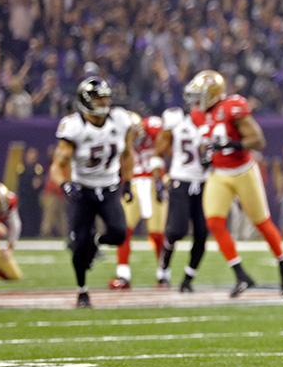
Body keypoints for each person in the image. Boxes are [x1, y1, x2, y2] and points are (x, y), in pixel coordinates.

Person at [191, 70, 283, 297]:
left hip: (243, 171)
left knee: (261, 222)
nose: (196, 100)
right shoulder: (197, 115)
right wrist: (206, 154)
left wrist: (233, 144)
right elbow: (204, 143)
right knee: (215, 222)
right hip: (219, 173)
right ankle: (240, 274)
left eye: (200, 94)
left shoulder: (231, 108)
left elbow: (258, 140)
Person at [49, 77, 134, 308]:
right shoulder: (75, 126)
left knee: (118, 233)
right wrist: (65, 184)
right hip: (83, 190)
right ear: (86, 101)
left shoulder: (120, 120)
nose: (105, 101)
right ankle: (82, 290)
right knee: (78, 246)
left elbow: (128, 154)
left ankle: (97, 242)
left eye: (106, 96)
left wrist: (128, 182)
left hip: (108, 187)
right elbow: (58, 164)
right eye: (99, 98)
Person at [155, 81, 210, 293]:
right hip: (180, 181)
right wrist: (162, 177)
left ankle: (188, 278)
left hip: (204, 183)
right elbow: (158, 152)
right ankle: (164, 266)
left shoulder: (214, 121)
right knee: (176, 230)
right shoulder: (176, 120)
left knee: (202, 234)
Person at [111, 112, 166, 289]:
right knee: (123, 231)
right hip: (134, 182)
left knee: (157, 233)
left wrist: (160, 179)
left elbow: (167, 144)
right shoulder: (119, 137)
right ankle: (123, 274)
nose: (133, 138)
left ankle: (163, 273)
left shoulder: (154, 128)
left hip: (152, 181)